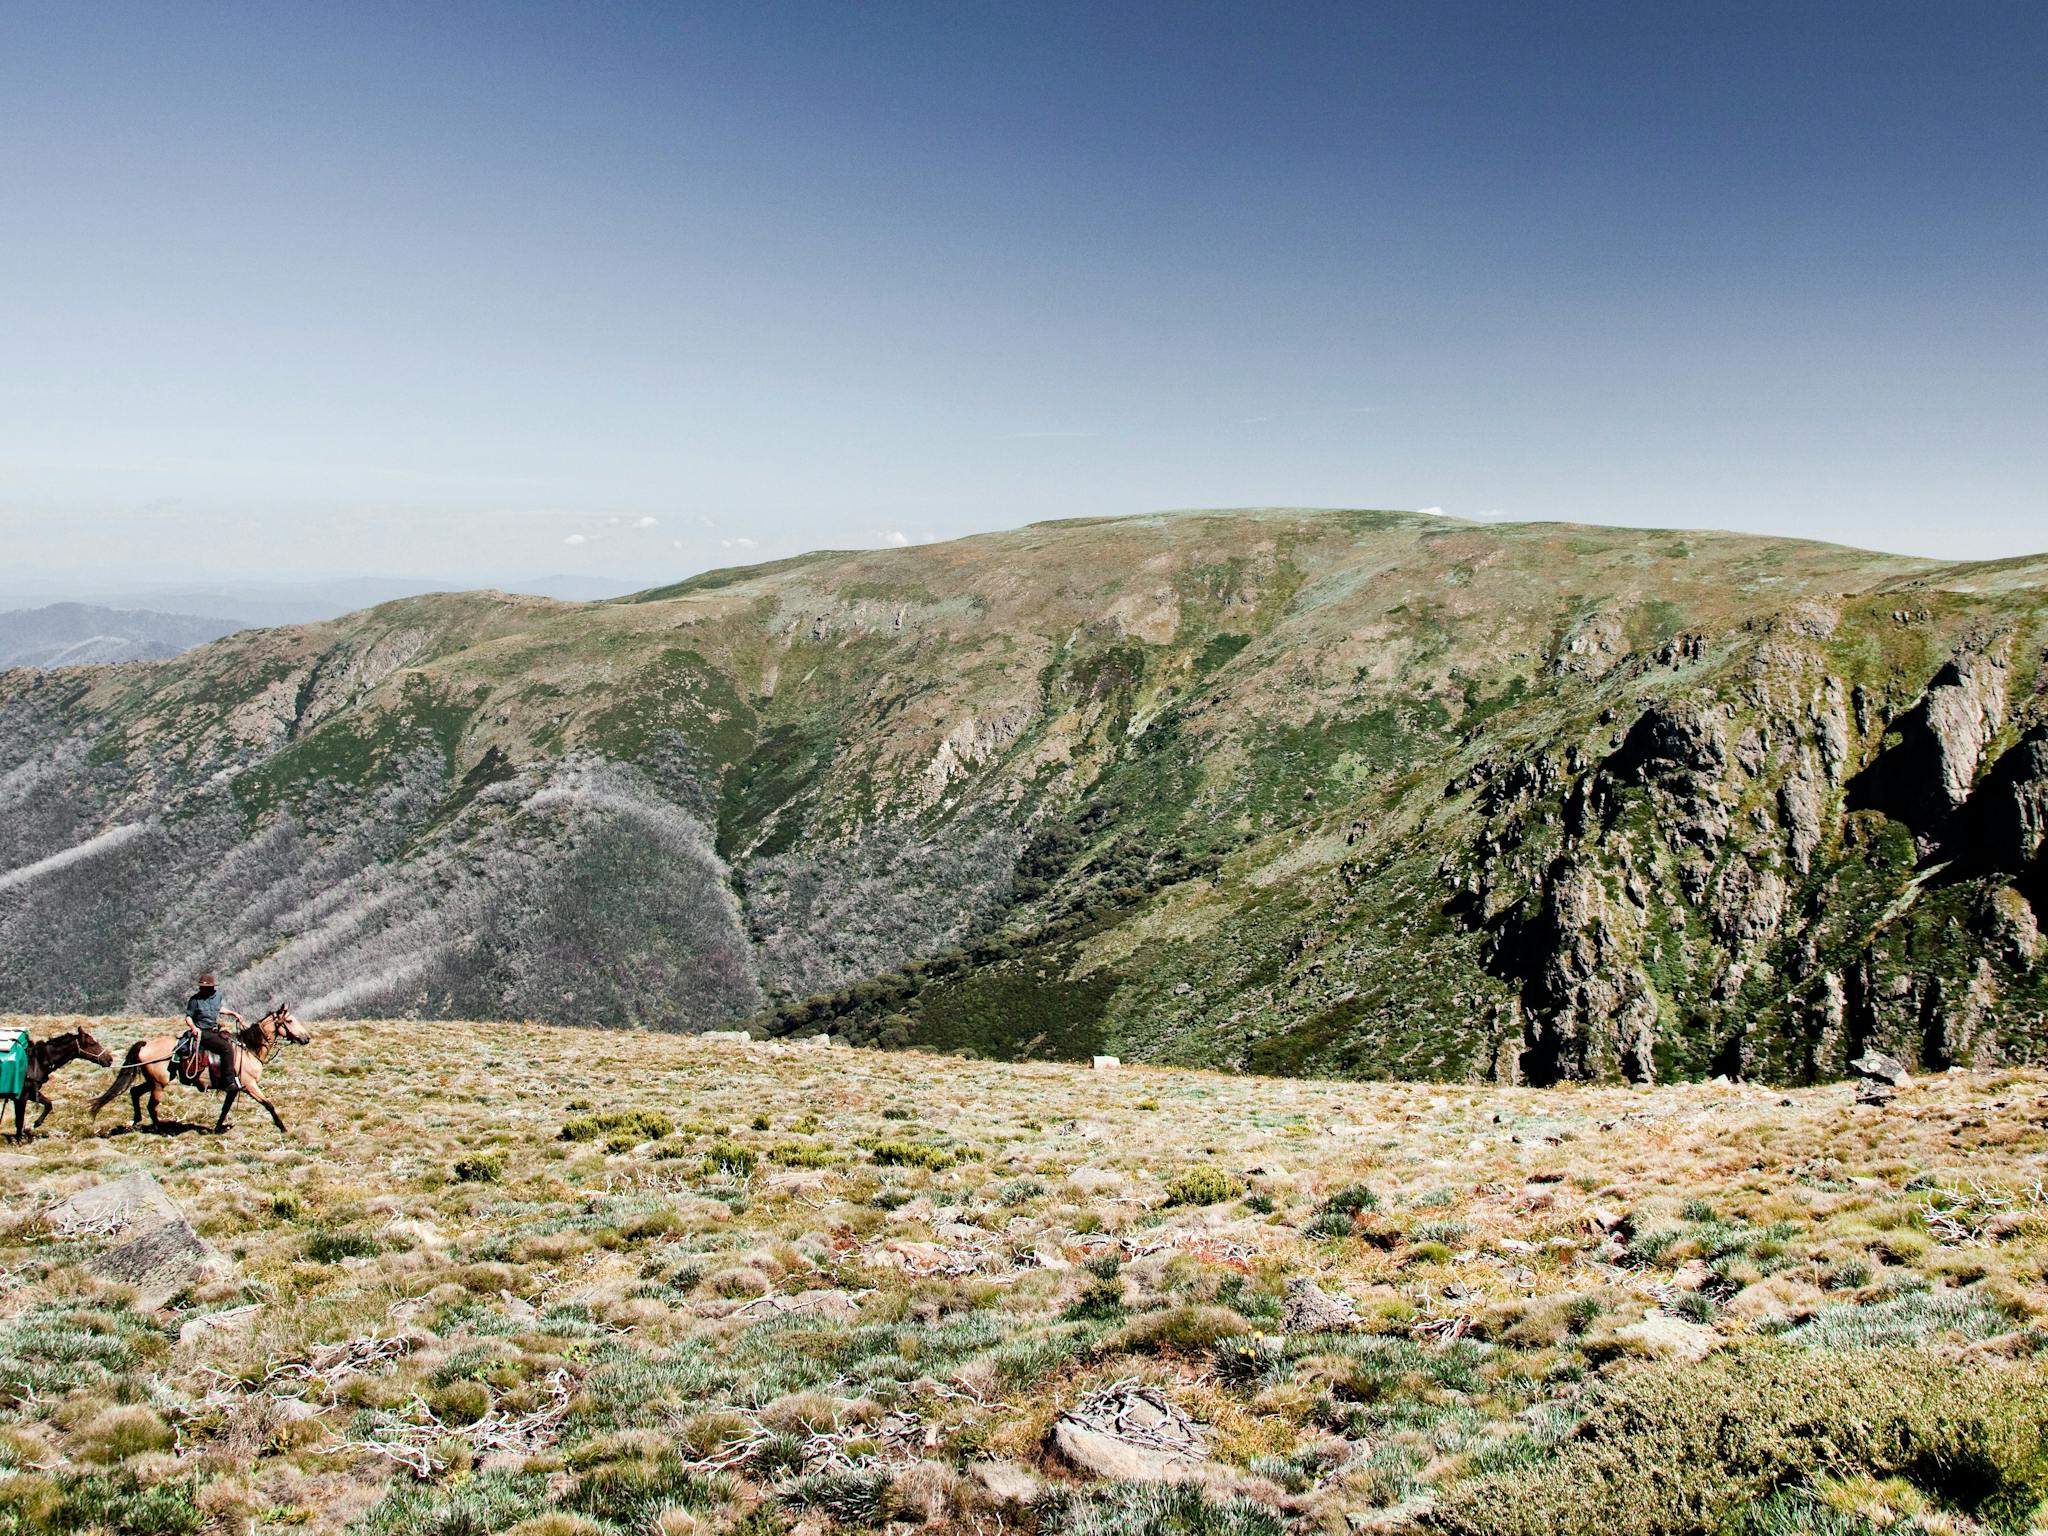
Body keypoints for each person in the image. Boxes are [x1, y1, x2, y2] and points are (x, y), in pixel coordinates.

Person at [175, 972, 244, 1085]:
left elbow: (218, 1008)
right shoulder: (195, 1000)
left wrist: (233, 1013)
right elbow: (188, 1017)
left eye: (206, 987)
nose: (203, 989)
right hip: (202, 1032)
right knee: (226, 1049)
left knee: (232, 1042)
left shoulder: (217, 996)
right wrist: (193, 1028)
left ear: (212, 987)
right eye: (202, 987)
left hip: (213, 1030)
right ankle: (228, 1081)